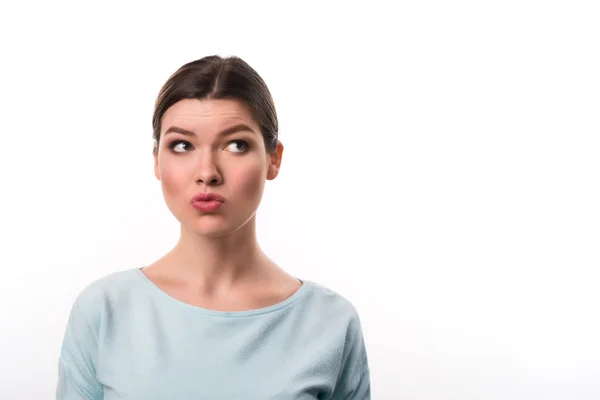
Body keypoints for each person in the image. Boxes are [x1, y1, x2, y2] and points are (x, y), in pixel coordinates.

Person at [56, 55, 371, 399]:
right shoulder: (104, 312)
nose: (207, 172)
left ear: (273, 158)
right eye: (182, 145)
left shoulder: (329, 324)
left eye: (236, 145)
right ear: (157, 161)